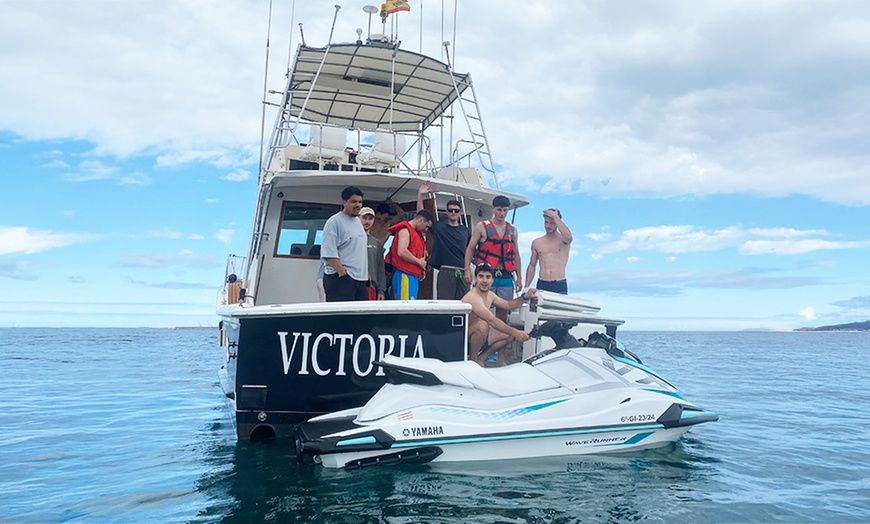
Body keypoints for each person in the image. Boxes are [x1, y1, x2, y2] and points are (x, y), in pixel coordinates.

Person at [462, 263, 537, 367]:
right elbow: (491, 319)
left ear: (492, 280)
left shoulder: (490, 295)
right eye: (481, 276)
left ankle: (481, 358)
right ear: (475, 279)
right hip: (465, 339)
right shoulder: (473, 297)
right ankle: (473, 361)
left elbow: (508, 304)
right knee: (482, 325)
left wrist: (525, 296)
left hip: (483, 336)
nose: (484, 280)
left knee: (508, 334)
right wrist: (516, 332)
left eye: (488, 277)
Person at [464, 195, 522, 319]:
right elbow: (470, 248)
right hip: (487, 274)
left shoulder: (513, 230)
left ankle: (497, 336)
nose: (502, 213)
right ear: (493, 209)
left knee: (503, 311)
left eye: (505, 210)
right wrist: (467, 269)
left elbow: (516, 255)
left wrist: (519, 278)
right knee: (480, 311)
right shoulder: (482, 226)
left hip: (506, 276)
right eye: (499, 210)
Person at [416, 181, 472, 299]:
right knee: (446, 303)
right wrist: (420, 196)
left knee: (465, 303)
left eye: (456, 210)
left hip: (463, 271)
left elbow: (471, 251)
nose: (453, 212)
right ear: (446, 212)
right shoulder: (438, 227)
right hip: (446, 270)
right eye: (450, 210)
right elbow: (421, 217)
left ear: (460, 213)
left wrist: (469, 270)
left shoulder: (465, 231)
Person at [320, 186, 369, 301]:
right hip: (340, 279)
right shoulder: (334, 222)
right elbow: (329, 254)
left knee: (362, 317)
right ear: (344, 202)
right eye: (353, 201)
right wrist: (343, 275)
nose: (357, 205)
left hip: (360, 280)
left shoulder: (357, 222)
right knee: (340, 318)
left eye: (360, 202)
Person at [385, 209, 434, 300]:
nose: (426, 230)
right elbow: (402, 251)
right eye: (426, 226)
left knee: (411, 302)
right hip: (404, 274)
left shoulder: (417, 233)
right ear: (420, 220)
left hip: (412, 275)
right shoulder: (405, 231)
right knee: (405, 304)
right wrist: (419, 262)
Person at [524, 208, 573, 294]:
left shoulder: (563, 240)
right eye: (546, 222)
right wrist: (526, 286)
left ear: (558, 223)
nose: (548, 226)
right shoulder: (537, 242)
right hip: (543, 283)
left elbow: (569, 237)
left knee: (559, 307)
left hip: (559, 282)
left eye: (552, 223)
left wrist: (555, 217)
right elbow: (532, 265)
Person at [359, 206, 387, 300]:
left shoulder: (376, 243)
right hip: (353, 285)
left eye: (370, 218)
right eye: (364, 218)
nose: (367, 221)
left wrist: (381, 290)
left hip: (371, 286)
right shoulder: (350, 239)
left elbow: (380, 268)